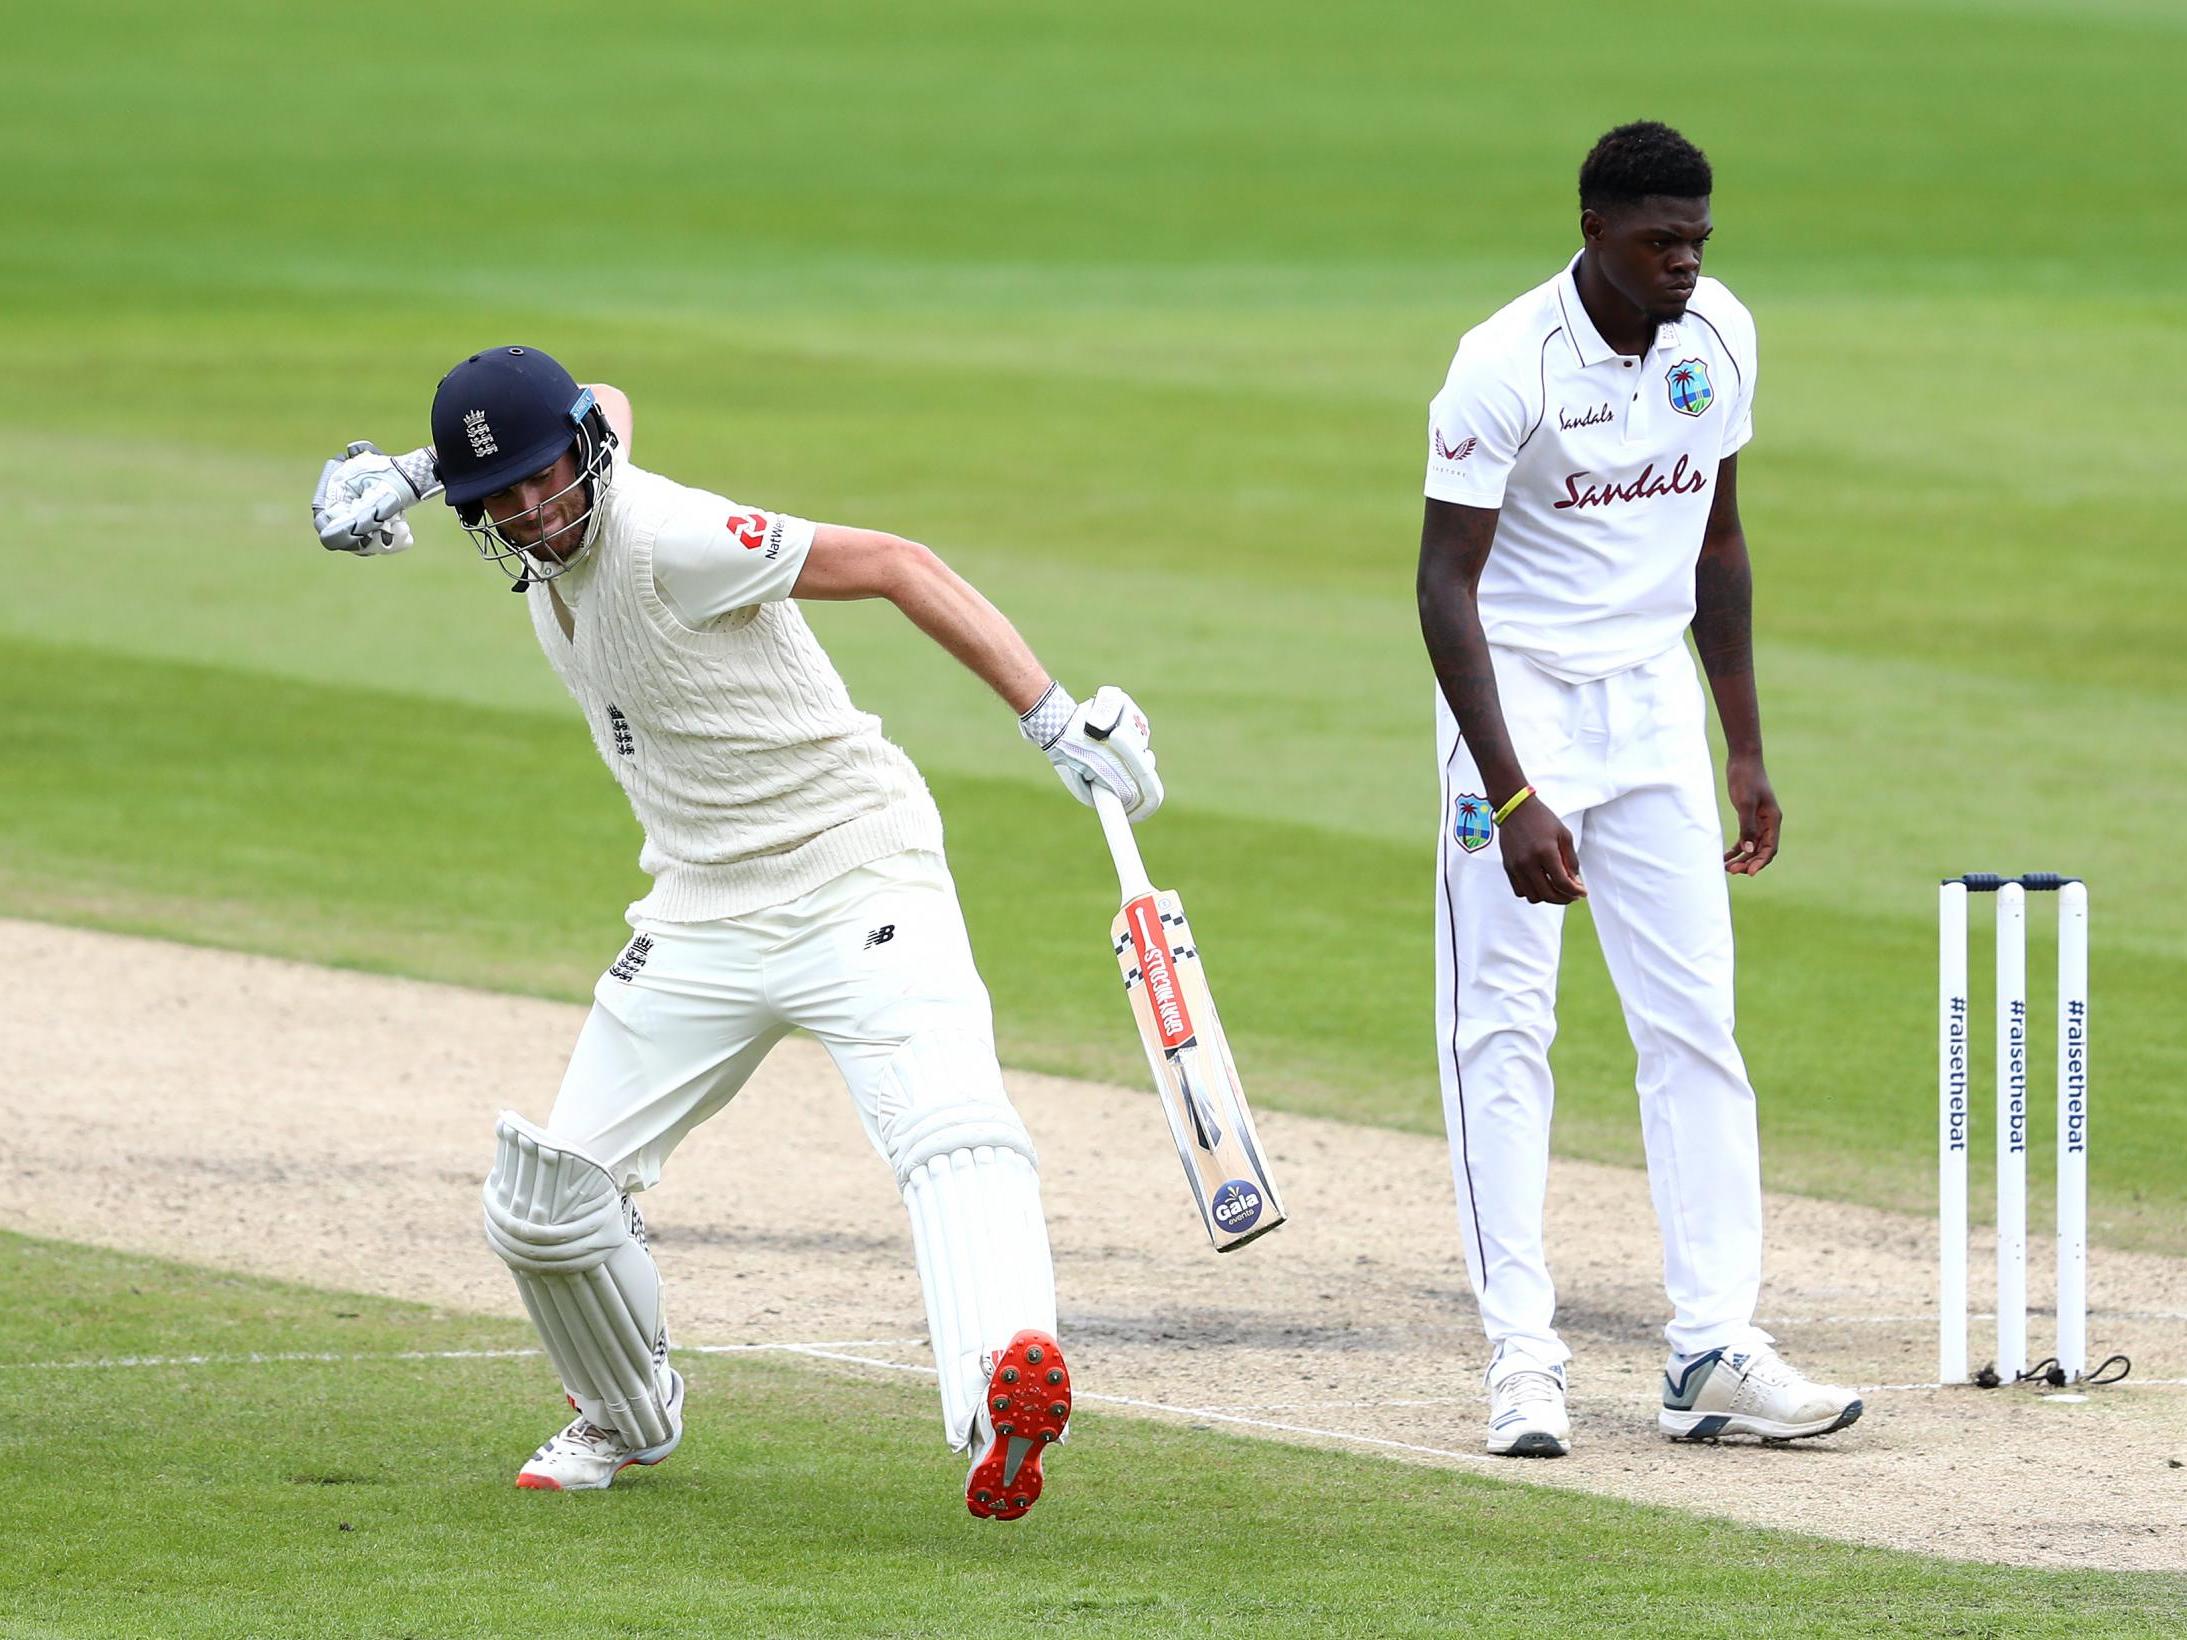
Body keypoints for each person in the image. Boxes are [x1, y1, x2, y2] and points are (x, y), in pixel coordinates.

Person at [308, 344, 1161, 1518]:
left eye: (544, 483)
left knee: (954, 1133)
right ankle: (626, 1408)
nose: (530, 514)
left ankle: (998, 1403)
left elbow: (901, 565)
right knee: (545, 1204)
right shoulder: (565, 477)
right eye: (494, 502)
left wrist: (1050, 715)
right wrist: (420, 469)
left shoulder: (674, 536)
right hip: (699, 907)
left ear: (587, 467)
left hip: (857, 872)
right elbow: (601, 396)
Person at [1415, 123, 1861, 1455]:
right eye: (1658, 241)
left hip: (1652, 703)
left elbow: (1716, 542)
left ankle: (1709, 1349)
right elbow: (1441, 589)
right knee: (1501, 1030)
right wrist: (1507, 794)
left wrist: (1741, 744)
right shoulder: (1501, 365)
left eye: (1696, 240)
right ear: (1591, 229)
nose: (1682, 264)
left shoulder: (1716, 333)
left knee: (1693, 1030)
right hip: (1519, 704)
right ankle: (1519, 1361)